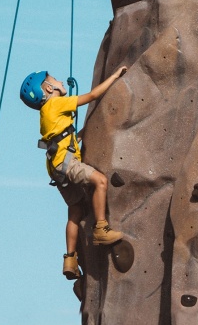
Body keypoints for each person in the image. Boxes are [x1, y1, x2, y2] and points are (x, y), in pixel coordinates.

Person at [19, 66, 128, 279]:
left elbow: (62, 136)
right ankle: (101, 229)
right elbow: (94, 95)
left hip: (55, 167)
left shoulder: (46, 113)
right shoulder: (57, 103)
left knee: (76, 210)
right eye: (55, 80)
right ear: (49, 88)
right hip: (66, 163)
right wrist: (115, 76)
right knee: (100, 181)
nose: (60, 81)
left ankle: (69, 259)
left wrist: (81, 134)